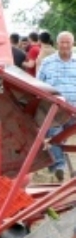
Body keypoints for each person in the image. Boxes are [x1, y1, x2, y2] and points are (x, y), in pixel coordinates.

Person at [37, 31, 76, 182]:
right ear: (57, 43)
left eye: (68, 42)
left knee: (64, 138)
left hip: (74, 110)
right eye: (62, 42)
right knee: (54, 135)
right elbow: (38, 84)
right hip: (54, 109)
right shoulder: (48, 62)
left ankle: (62, 165)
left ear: (72, 44)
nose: (65, 45)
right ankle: (59, 167)